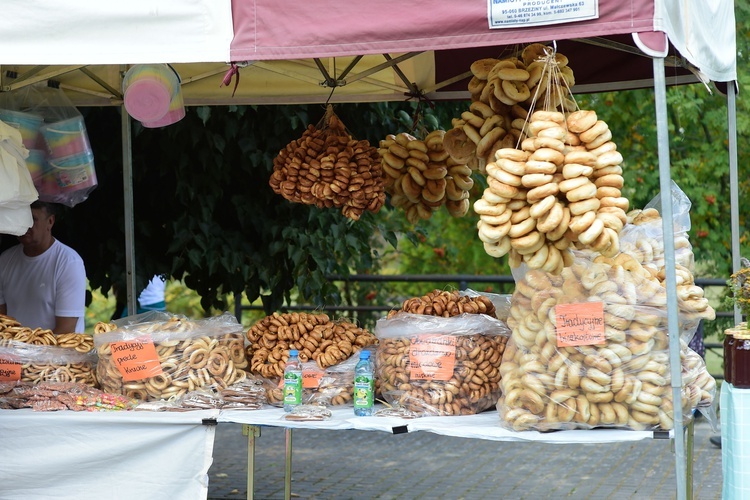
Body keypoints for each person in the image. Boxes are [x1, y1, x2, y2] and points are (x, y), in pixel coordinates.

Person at [0, 201, 86, 333]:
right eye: (21, 218)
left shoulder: (69, 262)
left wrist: (32, 351)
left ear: (50, 221)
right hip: (13, 352)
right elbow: (2, 321)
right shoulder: (5, 260)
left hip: (57, 352)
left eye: (32, 219)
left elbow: (66, 330)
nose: (25, 224)